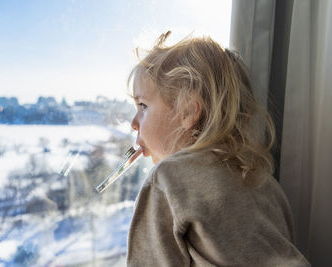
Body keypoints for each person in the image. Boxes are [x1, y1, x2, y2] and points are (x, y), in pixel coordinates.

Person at [126, 31, 310, 266]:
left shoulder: (167, 179)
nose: (133, 123)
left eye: (143, 106)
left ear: (189, 112)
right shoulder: (265, 182)